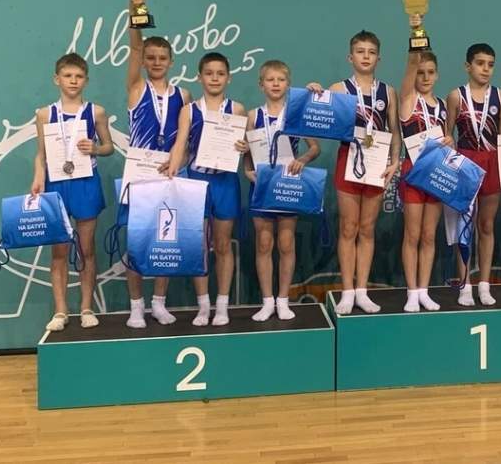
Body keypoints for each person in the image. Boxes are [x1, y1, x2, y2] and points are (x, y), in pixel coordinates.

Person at [308, 31, 400, 315]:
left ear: (379, 58)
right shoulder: (339, 88)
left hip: (377, 161)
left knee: (367, 228)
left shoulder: (388, 92)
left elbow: (394, 130)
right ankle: (347, 291)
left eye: (371, 52)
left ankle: (362, 291)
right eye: (360, 52)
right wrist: (314, 95)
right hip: (349, 158)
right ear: (351, 57)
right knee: (348, 227)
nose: (366, 57)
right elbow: (318, 116)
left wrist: (395, 161)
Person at [30, 53, 113, 331]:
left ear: (86, 80)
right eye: (68, 76)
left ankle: (87, 307)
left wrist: (96, 148)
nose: (73, 81)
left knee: (86, 248)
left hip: (86, 182)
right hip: (57, 184)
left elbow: (109, 147)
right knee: (59, 251)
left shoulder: (95, 112)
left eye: (78, 76)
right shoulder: (44, 114)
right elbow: (40, 155)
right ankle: (61, 311)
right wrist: (38, 178)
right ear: (57, 79)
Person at [123, 0, 191, 328]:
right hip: (139, 175)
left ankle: (159, 303)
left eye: (162, 57)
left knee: (166, 239)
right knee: (136, 242)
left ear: (171, 61)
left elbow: (186, 137)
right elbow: (135, 47)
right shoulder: (136, 88)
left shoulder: (184, 95)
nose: (156, 62)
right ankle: (136, 306)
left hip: (170, 173)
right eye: (151, 57)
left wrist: (181, 160)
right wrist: (135, 4)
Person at [168, 52, 247, 327]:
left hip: (225, 182)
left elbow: (245, 146)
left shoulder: (237, 110)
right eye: (209, 73)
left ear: (229, 78)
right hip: (197, 181)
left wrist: (244, 147)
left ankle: (222, 305)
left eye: (220, 73)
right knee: (199, 246)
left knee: (223, 244)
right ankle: (203, 306)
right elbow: (180, 144)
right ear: (199, 77)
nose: (215, 78)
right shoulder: (189, 110)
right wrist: (171, 169)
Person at [245, 60, 319, 322]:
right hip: (261, 185)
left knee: (286, 243)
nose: (275, 84)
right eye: (270, 80)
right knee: (264, 243)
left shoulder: (295, 113)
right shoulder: (253, 116)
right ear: (261, 85)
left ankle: (283, 299)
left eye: (281, 80)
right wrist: (247, 171)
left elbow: (314, 147)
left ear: (288, 84)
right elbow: (247, 151)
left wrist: (303, 160)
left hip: (288, 184)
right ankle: (267, 301)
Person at [446, 43, 501, 306]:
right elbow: (448, 132)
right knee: (464, 226)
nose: (486, 69)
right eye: (480, 63)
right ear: (467, 66)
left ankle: (484, 284)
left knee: (486, 225)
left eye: (490, 65)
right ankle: (464, 285)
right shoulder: (456, 96)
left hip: (492, 161)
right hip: (465, 161)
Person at [397, 15, 451, 312]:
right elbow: (410, 65)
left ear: (437, 75)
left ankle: (424, 290)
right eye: (421, 73)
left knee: (430, 235)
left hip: (437, 173)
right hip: (413, 171)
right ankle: (410, 292)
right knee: (413, 234)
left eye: (431, 72)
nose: (425, 77)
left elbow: (447, 139)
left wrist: (449, 141)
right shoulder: (408, 99)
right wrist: (416, 30)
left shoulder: (442, 106)